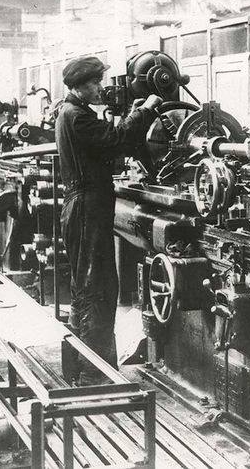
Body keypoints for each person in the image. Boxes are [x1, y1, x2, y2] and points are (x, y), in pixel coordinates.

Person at [55, 57, 161, 385]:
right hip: (88, 208)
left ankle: (79, 369)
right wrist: (146, 110)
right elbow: (117, 140)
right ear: (78, 86)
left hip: (85, 207)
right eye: (95, 83)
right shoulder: (77, 116)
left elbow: (107, 143)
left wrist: (131, 115)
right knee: (98, 289)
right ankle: (94, 375)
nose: (100, 88)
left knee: (86, 288)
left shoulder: (71, 112)